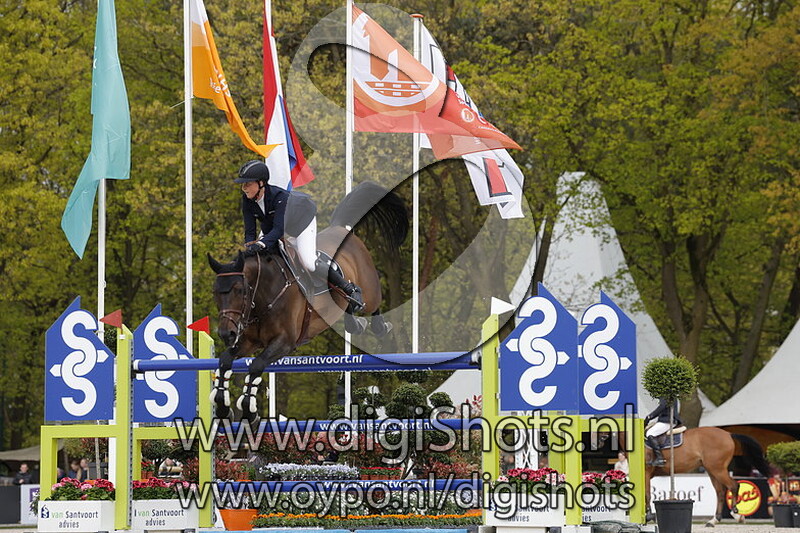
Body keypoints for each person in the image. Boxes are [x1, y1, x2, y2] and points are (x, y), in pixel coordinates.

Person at [235, 160, 364, 311]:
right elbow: (250, 231)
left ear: (261, 183)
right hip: (274, 224)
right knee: (259, 256)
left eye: (248, 184)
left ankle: (349, 289)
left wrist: (261, 243)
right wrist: (250, 246)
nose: (244, 188)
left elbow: (278, 230)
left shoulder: (279, 197)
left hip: (302, 221)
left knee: (308, 261)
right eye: (243, 184)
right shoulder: (247, 200)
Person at [644, 397, 683, 467]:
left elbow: (662, 406)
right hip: (667, 419)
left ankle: (660, 458)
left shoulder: (666, 394)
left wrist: (650, 417)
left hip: (667, 420)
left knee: (650, 433)